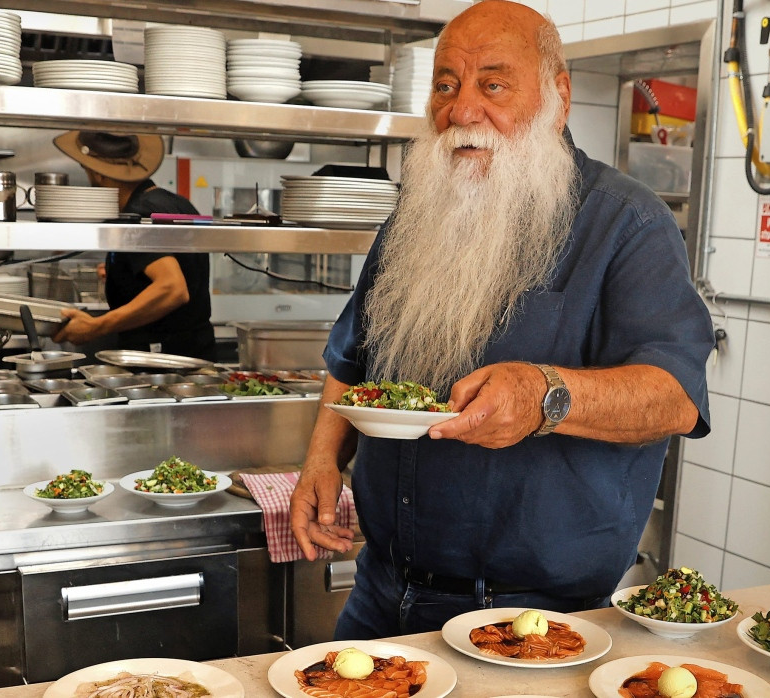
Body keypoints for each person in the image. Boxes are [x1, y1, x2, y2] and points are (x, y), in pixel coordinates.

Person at [288, 0, 715, 641]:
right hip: (381, 591)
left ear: (557, 96)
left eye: (493, 84)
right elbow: (352, 361)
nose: (461, 111)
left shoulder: (627, 223)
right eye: (446, 85)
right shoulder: (416, 216)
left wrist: (545, 396)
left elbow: (676, 398)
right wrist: (322, 461)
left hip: (534, 620)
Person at [51, 131, 217, 360]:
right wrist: (122, 274)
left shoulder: (136, 215)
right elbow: (174, 267)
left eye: (86, 168)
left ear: (98, 174)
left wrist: (96, 326)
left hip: (161, 361)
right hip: (196, 353)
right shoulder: (177, 203)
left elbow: (173, 288)